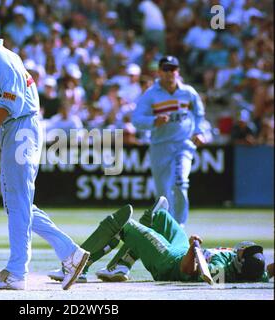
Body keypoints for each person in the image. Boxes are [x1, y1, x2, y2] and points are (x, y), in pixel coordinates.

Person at [0, 11, 89, 291]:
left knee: (17, 201)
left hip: (21, 128)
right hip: (20, 128)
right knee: (19, 203)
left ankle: (16, 272)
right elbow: (5, 103)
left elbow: (11, 103)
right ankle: (70, 254)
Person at [48, 197, 274, 284]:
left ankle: (77, 265)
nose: (244, 249)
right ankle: (120, 265)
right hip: (180, 249)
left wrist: (193, 250)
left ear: (239, 263)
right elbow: (269, 269)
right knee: (160, 213)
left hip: (169, 261)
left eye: (245, 253)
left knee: (123, 220)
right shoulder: (256, 272)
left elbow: (187, 271)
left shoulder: (219, 270)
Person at [132, 56, 206, 226]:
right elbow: (136, 120)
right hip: (160, 146)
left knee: (181, 183)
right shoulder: (151, 95)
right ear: (159, 72)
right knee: (163, 193)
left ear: (177, 71)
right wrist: (153, 122)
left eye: (172, 69)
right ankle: (166, 226)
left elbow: (199, 113)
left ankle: (180, 226)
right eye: (165, 69)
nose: (169, 73)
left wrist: (199, 131)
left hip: (184, 144)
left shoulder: (188, 92)